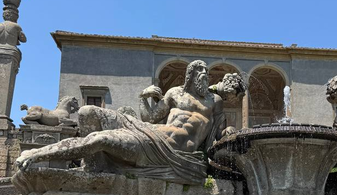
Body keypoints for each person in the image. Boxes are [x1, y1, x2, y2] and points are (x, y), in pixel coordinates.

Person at [16, 60, 240, 184]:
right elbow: (149, 118)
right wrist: (144, 97)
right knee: (87, 111)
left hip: (169, 150)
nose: (203, 74)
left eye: (205, 72)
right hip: (151, 131)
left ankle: (37, 154)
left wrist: (228, 131)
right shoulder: (174, 93)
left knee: (101, 139)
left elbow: (217, 134)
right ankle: (94, 166)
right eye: (199, 71)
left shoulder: (214, 101)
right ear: (189, 75)